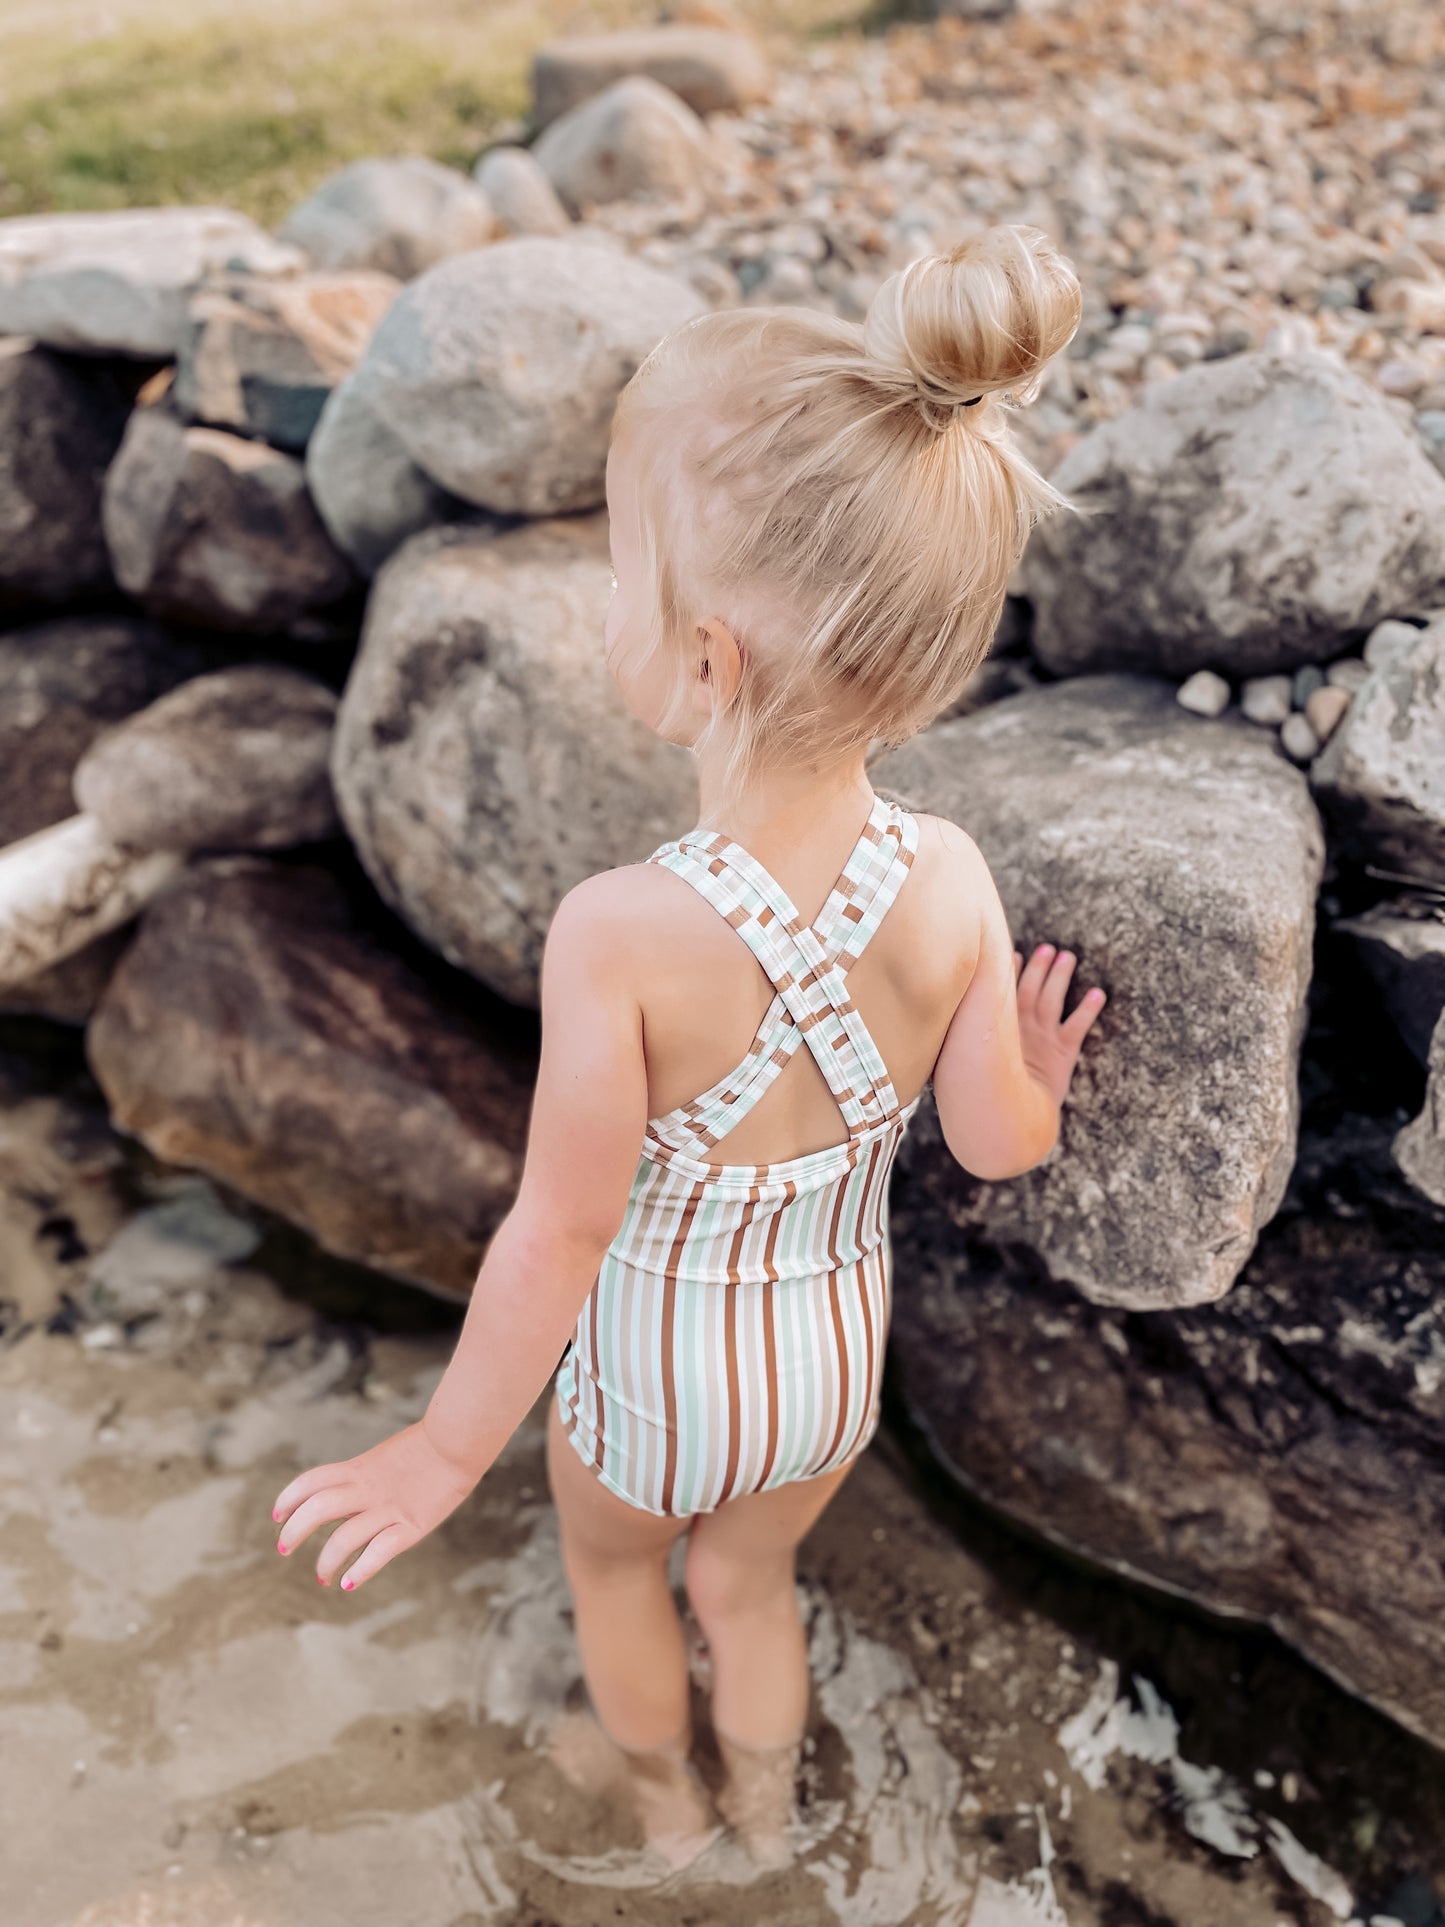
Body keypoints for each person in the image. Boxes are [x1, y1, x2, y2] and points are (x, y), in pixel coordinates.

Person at [270, 222, 1106, 1875]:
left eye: (620, 578)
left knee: (615, 1574)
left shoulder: (619, 929)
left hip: (659, 1368)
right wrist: (1039, 1061)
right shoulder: (945, 880)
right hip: (822, 1366)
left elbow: (565, 1226)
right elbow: (1003, 1145)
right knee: (749, 1580)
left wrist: (446, 1449)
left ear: (707, 660)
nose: (605, 597)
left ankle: (661, 1811)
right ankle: (774, 1812)